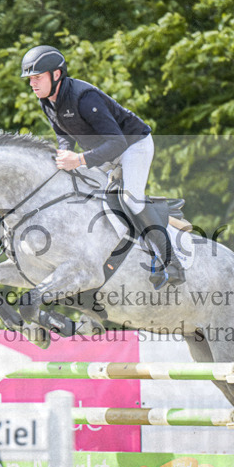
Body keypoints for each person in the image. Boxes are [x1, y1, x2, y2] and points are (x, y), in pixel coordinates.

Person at [20, 44, 185, 287]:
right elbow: (62, 132)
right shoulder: (47, 100)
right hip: (103, 152)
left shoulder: (85, 98)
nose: (32, 84)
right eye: (30, 79)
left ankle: (171, 261)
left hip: (132, 145)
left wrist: (79, 160)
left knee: (131, 199)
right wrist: (65, 152)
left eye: (37, 78)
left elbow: (117, 143)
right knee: (82, 193)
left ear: (56, 75)